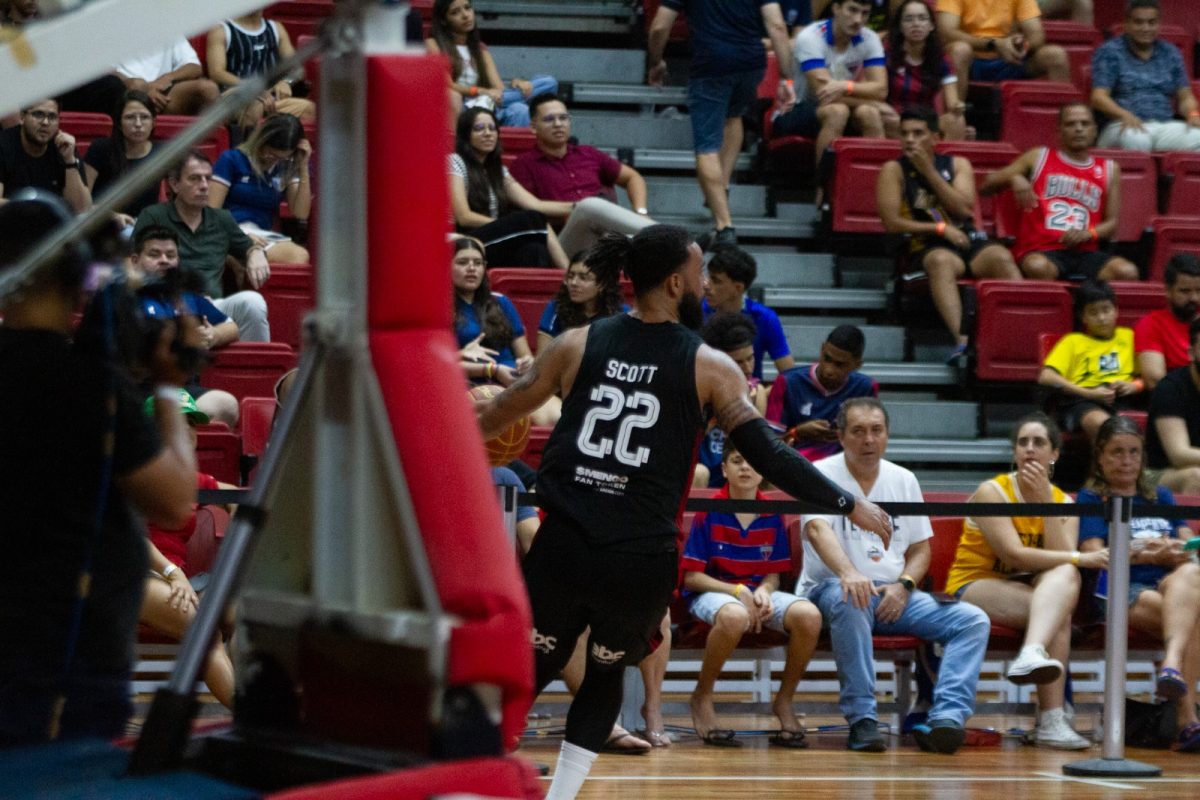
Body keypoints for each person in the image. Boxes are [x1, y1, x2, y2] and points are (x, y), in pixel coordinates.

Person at [475, 225, 891, 800]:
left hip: (564, 544)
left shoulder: (577, 342)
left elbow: (501, 409)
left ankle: (475, 781)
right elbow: (769, 454)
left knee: (530, 667)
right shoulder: (710, 365)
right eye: (698, 274)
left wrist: (428, 447)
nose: (703, 285)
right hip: (639, 555)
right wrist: (849, 501)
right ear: (675, 283)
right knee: (604, 674)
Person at [0, 191, 196, 746]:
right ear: (74, 276)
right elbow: (173, 501)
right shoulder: (89, 385)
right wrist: (168, 387)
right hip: (69, 650)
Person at [801, 398, 991, 753]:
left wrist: (904, 586)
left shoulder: (903, 479)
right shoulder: (820, 474)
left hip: (893, 596)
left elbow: (920, 550)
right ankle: (863, 720)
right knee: (851, 597)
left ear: (887, 435)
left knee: (972, 620)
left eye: (877, 430)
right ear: (841, 436)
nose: (868, 440)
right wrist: (849, 573)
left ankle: (947, 719)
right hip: (832, 589)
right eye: (858, 431)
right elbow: (816, 530)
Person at [944, 412, 1106, 749]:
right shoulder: (993, 492)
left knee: (1064, 582)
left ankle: (1033, 657)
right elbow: (1015, 555)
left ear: (1054, 454)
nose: (1030, 449)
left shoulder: (1063, 501)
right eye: (1023, 442)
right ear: (1015, 452)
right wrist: (1080, 558)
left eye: (1039, 442)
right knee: (1059, 609)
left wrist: (1045, 501)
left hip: (1028, 589)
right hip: (975, 583)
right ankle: (1051, 720)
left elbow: (1062, 558)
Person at [683, 443, 822, 748]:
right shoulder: (709, 511)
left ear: (763, 473)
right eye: (737, 461)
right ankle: (702, 696)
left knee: (809, 615)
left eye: (753, 462)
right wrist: (738, 591)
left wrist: (764, 591)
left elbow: (773, 575)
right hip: (713, 592)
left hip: (754, 594)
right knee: (735, 615)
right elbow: (692, 578)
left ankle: (784, 701)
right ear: (724, 469)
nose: (745, 467)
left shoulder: (773, 513)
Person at [1076, 415, 1200, 753]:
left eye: (1134, 452)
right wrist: (1148, 552)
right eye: (1117, 452)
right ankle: (1186, 718)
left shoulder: (1160, 495)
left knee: (1191, 575)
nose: (1127, 460)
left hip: (1170, 584)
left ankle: (1171, 668)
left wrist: (1177, 549)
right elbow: (1095, 552)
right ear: (1100, 456)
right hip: (1118, 588)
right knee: (1193, 617)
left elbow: (1189, 543)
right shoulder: (1092, 497)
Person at [646, 1, 796, 247]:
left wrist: (656, 61)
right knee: (733, 116)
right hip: (751, 63)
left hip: (711, 64)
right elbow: (778, 26)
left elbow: (660, 27)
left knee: (706, 146)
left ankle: (724, 226)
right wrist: (786, 78)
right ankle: (721, 186)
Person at [877, 107, 1019, 360]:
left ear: (935, 138)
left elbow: (963, 210)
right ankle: (964, 343)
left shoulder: (957, 164)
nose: (909, 139)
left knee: (1001, 257)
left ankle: (1016, 337)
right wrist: (939, 228)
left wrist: (928, 172)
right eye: (904, 133)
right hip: (926, 244)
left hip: (967, 238)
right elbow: (892, 223)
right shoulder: (893, 169)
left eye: (918, 133)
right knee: (941, 261)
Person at [138, 389, 235, 709]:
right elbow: (128, 537)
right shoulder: (135, 475)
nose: (187, 431)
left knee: (242, 613)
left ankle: (256, 703)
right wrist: (172, 572)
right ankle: (254, 720)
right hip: (137, 576)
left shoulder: (187, 479)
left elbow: (236, 494)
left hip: (178, 581)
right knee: (205, 633)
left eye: (191, 423)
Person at [980, 103, 1139, 283]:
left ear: (1095, 131)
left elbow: (1112, 224)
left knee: (1127, 271)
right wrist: (1014, 178)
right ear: (1059, 131)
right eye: (1071, 124)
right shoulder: (1038, 156)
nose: (1078, 129)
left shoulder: (1110, 168)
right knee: (1037, 267)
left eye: (1085, 123)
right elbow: (986, 184)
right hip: (1041, 250)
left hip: (1085, 252)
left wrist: (1089, 233)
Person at [133, 150, 271, 342]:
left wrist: (255, 252)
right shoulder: (153, 216)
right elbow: (131, 262)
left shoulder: (222, 219)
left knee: (252, 302)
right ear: (174, 184)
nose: (205, 186)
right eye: (195, 179)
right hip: (167, 302)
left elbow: (248, 246)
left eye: (208, 178)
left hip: (212, 303)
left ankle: (257, 361)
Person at [509, 94, 655, 257]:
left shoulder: (588, 154)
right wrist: (576, 210)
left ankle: (653, 236)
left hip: (604, 234)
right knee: (588, 207)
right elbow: (530, 214)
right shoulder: (523, 165)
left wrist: (641, 211)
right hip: (563, 244)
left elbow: (633, 177)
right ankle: (656, 234)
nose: (558, 124)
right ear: (533, 127)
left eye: (563, 118)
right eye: (549, 119)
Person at [128, 225, 241, 427]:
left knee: (226, 405)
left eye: (170, 255)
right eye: (154, 254)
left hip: (184, 388)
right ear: (135, 260)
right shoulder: (125, 298)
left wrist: (213, 334)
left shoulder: (189, 297)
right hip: (139, 389)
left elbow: (231, 327)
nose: (164, 260)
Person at [772, 0, 892, 173]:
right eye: (852, 10)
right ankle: (825, 186)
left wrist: (845, 85)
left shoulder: (869, 38)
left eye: (864, 13)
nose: (858, 19)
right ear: (836, 8)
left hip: (842, 104)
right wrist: (870, 100)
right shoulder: (811, 37)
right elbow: (824, 94)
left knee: (870, 113)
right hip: (795, 109)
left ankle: (873, 183)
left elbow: (881, 90)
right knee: (837, 111)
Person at [453, 236, 561, 426]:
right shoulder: (439, 309)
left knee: (560, 417)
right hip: (473, 384)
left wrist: (526, 363)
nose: (471, 268)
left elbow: (525, 355)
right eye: (462, 262)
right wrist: (488, 368)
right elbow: (433, 366)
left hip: (512, 379)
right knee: (529, 417)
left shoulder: (500, 302)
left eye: (477, 263)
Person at [449, 107, 570, 268]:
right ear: (466, 135)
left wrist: (578, 207)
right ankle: (568, 274)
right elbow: (464, 217)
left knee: (534, 249)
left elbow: (535, 204)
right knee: (533, 219)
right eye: (479, 128)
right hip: (462, 239)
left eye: (492, 128)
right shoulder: (455, 161)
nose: (488, 133)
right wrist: (506, 226)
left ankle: (548, 282)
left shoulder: (498, 170)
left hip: (492, 240)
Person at [1038, 279, 1143, 441]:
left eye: (1106, 310)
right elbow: (1046, 377)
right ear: (1083, 317)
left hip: (1124, 400)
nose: (1101, 318)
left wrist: (1133, 386)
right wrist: (1089, 393)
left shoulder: (1130, 337)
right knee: (1103, 425)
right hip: (1082, 401)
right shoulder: (1072, 342)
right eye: (1093, 313)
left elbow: (1147, 378)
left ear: (1116, 310)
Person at [426, 0, 557, 128]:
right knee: (517, 101)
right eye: (455, 12)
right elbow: (447, 84)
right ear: (443, 20)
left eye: (467, 8)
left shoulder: (480, 49)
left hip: (489, 104)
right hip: (465, 107)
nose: (465, 15)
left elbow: (499, 89)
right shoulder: (434, 43)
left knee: (541, 89)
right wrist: (480, 91)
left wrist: (516, 84)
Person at [1091, 0, 1200, 153]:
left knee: (1198, 137)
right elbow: (1098, 98)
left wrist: (1193, 114)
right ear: (1127, 24)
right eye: (1138, 22)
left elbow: (1185, 96)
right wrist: (1124, 115)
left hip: (1163, 125)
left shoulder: (1171, 53)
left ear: (1159, 24)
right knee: (1136, 139)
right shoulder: (1110, 52)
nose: (1145, 28)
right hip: (1120, 124)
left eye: (1151, 22)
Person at [209, 113, 312, 264]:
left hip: (262, 235)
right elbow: (211, 212)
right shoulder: (232, 159)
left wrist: (303, 167)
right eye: (270, 153)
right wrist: (240, 237)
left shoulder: (285, 166)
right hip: (229, 231)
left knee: (300, 256)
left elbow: (301, 212)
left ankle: (242, 259)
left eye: (282, 157)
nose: (273, 160)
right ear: (260, 141)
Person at [766, 324, 878, 461]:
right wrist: (798, 432)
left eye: (839, 365)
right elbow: (769, 445)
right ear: (822, 349)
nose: (828, 370)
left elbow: (868, 442)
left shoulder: (866, 388)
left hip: (844, 467)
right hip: (795, 465)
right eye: (827, 358)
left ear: (857, 365)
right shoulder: (787, 382)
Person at [694, 312, 772, 488]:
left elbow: (757, 447)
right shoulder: (700, 389)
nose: (748, 368)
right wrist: (712, 421)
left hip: (735, 470)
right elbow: (682, 445)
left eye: (750, 358)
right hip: (702, 469)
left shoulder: (757, 392)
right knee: (700, 473)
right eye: (738, 362)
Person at [206, 10, 316, 127]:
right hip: (235, 96)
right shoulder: (221, 30)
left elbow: (297, 69)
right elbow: (217, 72)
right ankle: (247, 139)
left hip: (270, 98)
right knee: (254, 106)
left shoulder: (276, 29)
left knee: (310, 109)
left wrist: (286, 82)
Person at [937, 0, 1069, 96]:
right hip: (971, 61)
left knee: (1055, 55)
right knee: (960, 50)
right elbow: (946, 32)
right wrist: (994, 44)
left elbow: (1037, 35)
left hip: (1009, 60)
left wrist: (1021, 45)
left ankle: (1065, 120)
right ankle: (955, 119)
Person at [701, 244, 795, 380]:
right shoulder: (697, 311)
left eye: (716, 281)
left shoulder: (765, 318)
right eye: (709, 277)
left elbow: (790, 376)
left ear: (738, 288)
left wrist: (765, 391)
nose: (706, 285)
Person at [885, 1, 966, 140]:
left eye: (922, 18)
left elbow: (952, 101)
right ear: (900, 26)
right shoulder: (887, 54)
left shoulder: (941, 59)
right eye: (909, 19)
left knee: (956, 120)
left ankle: (943, 155)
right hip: (895, 119)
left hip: (927, 120)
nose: (916, 24)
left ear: (931, 26)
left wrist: (957, 106)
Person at [82, 90, 162, 225]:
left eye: (144, 117)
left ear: (153, 122)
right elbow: (81, 203)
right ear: (119, 123)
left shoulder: (162, 151)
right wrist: (110, 216)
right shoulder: (100, 148)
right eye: (130, 117)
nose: (138, 124)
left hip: (147, 227)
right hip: (105, 225)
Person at [0, 98, 90, 213]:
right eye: (38, 115)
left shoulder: (64, 146)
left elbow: (82, 210)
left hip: (55, 223)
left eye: (52, 117)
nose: (45, 122)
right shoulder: (3, 144)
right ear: (22, 117)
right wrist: (37, 210)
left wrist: (69, 161)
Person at [1145, 317, 1200, 496]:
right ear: (1191, 353)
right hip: (1156, 474)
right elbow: (1179, 455)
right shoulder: (1170, 389)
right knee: (1195, 477)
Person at [537, 250, 629, 352]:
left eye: (583, 278)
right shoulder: (556, 308)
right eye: (570, 276)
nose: (573, 283)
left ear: (602, 283)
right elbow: (542, 355)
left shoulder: (622, 314)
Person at [1135, 253, 1200, 391]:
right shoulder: (1150, 324)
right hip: (1175, 399)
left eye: (1199, 290)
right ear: (1168, 290)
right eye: (1185, 291)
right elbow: (1155, 381)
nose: (1194, 298)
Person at [115, 36, 220, 116]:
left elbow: (194, 66)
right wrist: (145, 89)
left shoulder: (168, 27)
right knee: (137, 84)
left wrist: (166, 79)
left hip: (163, 93)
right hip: (125, 90)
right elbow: (108, 71)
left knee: (209, 89)